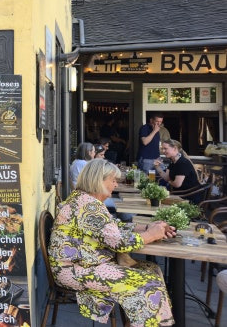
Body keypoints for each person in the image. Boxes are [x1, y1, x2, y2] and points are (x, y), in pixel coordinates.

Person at [48, 159, 176, 326]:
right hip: (75, 271)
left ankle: (154, 322)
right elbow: (120, 243)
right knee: (148, 283)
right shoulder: (88, 207)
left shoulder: (85, 200)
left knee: (152, 269)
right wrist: (150, 235)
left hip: (88, 264)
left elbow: (113, 227)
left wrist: (147, 227)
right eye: (113, 180)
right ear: (98, 180)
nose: (116, 184)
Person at [154, 139, 204, 204]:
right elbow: (167, 177)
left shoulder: (182, 163)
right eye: (162, 149)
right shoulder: (173, 161)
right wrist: (157, 167)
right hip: (180, 195)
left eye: (165, 149)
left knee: (157, 201)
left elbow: (177, 184)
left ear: (175, 148)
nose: (163, 151)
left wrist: (169, 182)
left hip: (189, 198)